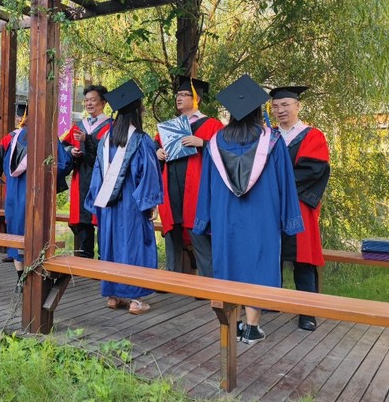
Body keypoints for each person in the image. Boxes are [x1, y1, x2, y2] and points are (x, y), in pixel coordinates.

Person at [194, 75, 303, 345]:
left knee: (229, 263)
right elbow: (286, 183)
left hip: (226, 217)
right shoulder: (272, 141)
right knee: (259, 264)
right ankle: (252, 327)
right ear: (257, 110)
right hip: (262, 217)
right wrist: (289, 220)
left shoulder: (216, 142)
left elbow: (205, 185)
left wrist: (203, 220)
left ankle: (233, 324)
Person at [85, 80, 163, 315]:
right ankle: (136, 300)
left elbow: (97, 177)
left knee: (110, 245)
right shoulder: (141, 140)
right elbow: (148, 175)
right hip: (132, 205)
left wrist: (98, 203)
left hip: (109, 206)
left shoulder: (105, 140)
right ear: (137, 111)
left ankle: (113, 295)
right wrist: (150, 203)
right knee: (133, 246)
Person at [0, 108, 72, 291]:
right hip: (35, 196)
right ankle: (34, 280)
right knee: (36, 235)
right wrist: (71, 156)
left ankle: (21, 280)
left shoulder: (14, 138)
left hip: (14, 195)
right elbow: (63, 163)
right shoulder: (46, 136)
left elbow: (4, 165)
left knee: (17, 234)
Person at [270, 86, 331, 331]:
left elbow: (314, 171)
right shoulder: (268, 135)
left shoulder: (312, 135)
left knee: (303, 260)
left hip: (298, 205)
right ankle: (269, 301)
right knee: (270, 255)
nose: (280, 110)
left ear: (298, 106)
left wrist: (278, 186)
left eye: (285, 104)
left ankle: (307, 311)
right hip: (270, 206)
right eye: (276, 106)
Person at [155, 76, 223, 277]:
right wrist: (158, 151)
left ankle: (208, 282)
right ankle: (172, 279)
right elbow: (156, 145)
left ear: (197, 99)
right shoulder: (170, 126)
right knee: (172, 233)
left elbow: (225, 152)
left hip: (196, 188)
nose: (179, 98)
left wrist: (203, 143)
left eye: (185, 94)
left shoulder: (213, 125)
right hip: (172, 187)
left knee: (199, 235)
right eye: (178, 94)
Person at [61, 84, 111, 259]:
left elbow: (110, 152)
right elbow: (64, 145)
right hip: (81, 178)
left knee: (103, 220)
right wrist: (71, 151)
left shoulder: (111, 126)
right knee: (83, 222)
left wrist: (87, 139)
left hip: (102, 180)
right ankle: (85, 259)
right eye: (87, 100)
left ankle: (104, 259)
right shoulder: (79, 125)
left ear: (103, 102)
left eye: (93, 100)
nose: (89, 104)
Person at [0, 103, 27, 263]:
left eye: (23, 116)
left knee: (24, 218)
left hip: (26, 186)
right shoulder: (11, 136)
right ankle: (13, 251)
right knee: (12, 217)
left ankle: (24, 253)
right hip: (13, 185)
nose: (20, 119)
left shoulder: (36, 136)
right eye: (18, 116)